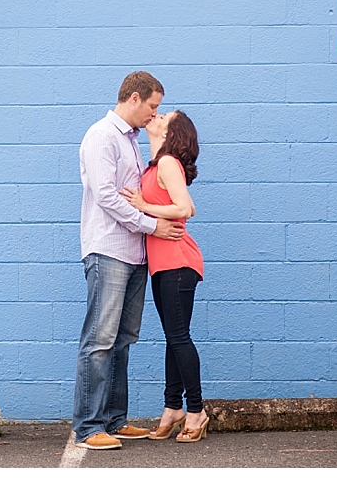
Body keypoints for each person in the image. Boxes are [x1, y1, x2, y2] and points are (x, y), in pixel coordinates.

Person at [72, 71, 186, 451]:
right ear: (134, 98)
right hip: (108, 251)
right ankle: (89, 426)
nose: (154, 114)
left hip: (134, 254)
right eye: (152, 106)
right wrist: (152, 225)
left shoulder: (131, 141)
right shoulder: (101, 136)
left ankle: (115, 420)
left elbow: (135, 195)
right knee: (100, 340)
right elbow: (106, 196)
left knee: (123, 340)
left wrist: (149, 224)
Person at [119, 109, 208, 443]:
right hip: (165, 263)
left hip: (177, 261)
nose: (154, 118)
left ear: (171, 134)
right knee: (175, 335)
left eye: (163, 118)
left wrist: (143, 204)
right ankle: (173, 408)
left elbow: (185, 208)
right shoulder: (156, 165)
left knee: (179, 337)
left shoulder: (168, 162)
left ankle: (196, 411)